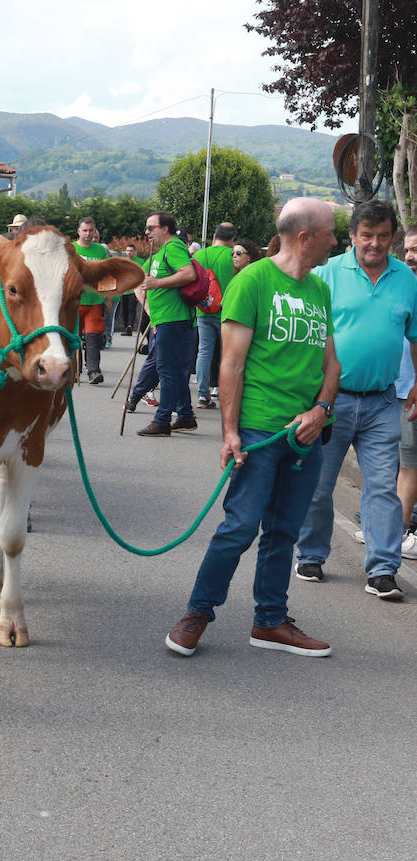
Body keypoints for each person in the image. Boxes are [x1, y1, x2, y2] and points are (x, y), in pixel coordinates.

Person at [165, 197, 340, 658]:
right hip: (261, 432)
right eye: (331, 233)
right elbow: (231, 364)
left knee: (285, 531)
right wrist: (229, 432)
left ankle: (270, 622)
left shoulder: (320, 291)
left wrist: (321, 409)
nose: (336, 241)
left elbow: (331, 363)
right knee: (240, 527)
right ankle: (197, 614)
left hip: (305, 436)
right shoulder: (253, 281)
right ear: (306, 238)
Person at [294, 199, 417, 601]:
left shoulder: (407, 280)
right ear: (352, 236)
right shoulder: (327, 274)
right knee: (318, 484)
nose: (375, 244)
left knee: (382, 487)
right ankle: (311, 554)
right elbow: (310, 338)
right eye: (367, 236)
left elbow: (415, 338)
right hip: (332, 401)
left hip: (383, 401)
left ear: (393, 238)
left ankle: (383, 570)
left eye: (384, 236)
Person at [136, 211, 197, 437]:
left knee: (166, 370)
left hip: (174, 320)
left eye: (151, 228)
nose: (147, 232)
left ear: (165, 229)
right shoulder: (162, 252)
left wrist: (158, 283)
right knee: (175, 370)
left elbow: (188, 274)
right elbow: (140, 281)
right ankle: (185, 416)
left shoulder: (173, 248)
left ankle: (162, 420)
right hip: (166, 319)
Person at [192, 222, 239, 409]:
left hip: (202, 310)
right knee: (227, 354)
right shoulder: (233, 257)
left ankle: (203, 395)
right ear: (232, 239)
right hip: (227, 311)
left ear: (214, 236)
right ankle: (221, 391)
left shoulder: (198, 255)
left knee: (204, 352)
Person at [72, 217, 111, 384]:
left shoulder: (100, 251)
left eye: (91, 230)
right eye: (85, 230)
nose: (88, 234)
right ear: (78, 232)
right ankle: (74, 370)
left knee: (93, 337)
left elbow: (107, 274)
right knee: (73, 339)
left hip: (95, 302)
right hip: (74, 302)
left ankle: (93, 371)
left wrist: (109, 298)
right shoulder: (70, 249)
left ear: (95, 232)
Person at [398, 226, 417, 556]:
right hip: (396, 389)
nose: (411, 256)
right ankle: (391, 530)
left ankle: (400, 533)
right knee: (400, 465)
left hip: (412, 390)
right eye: (409, 250)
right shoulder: (404, 285)